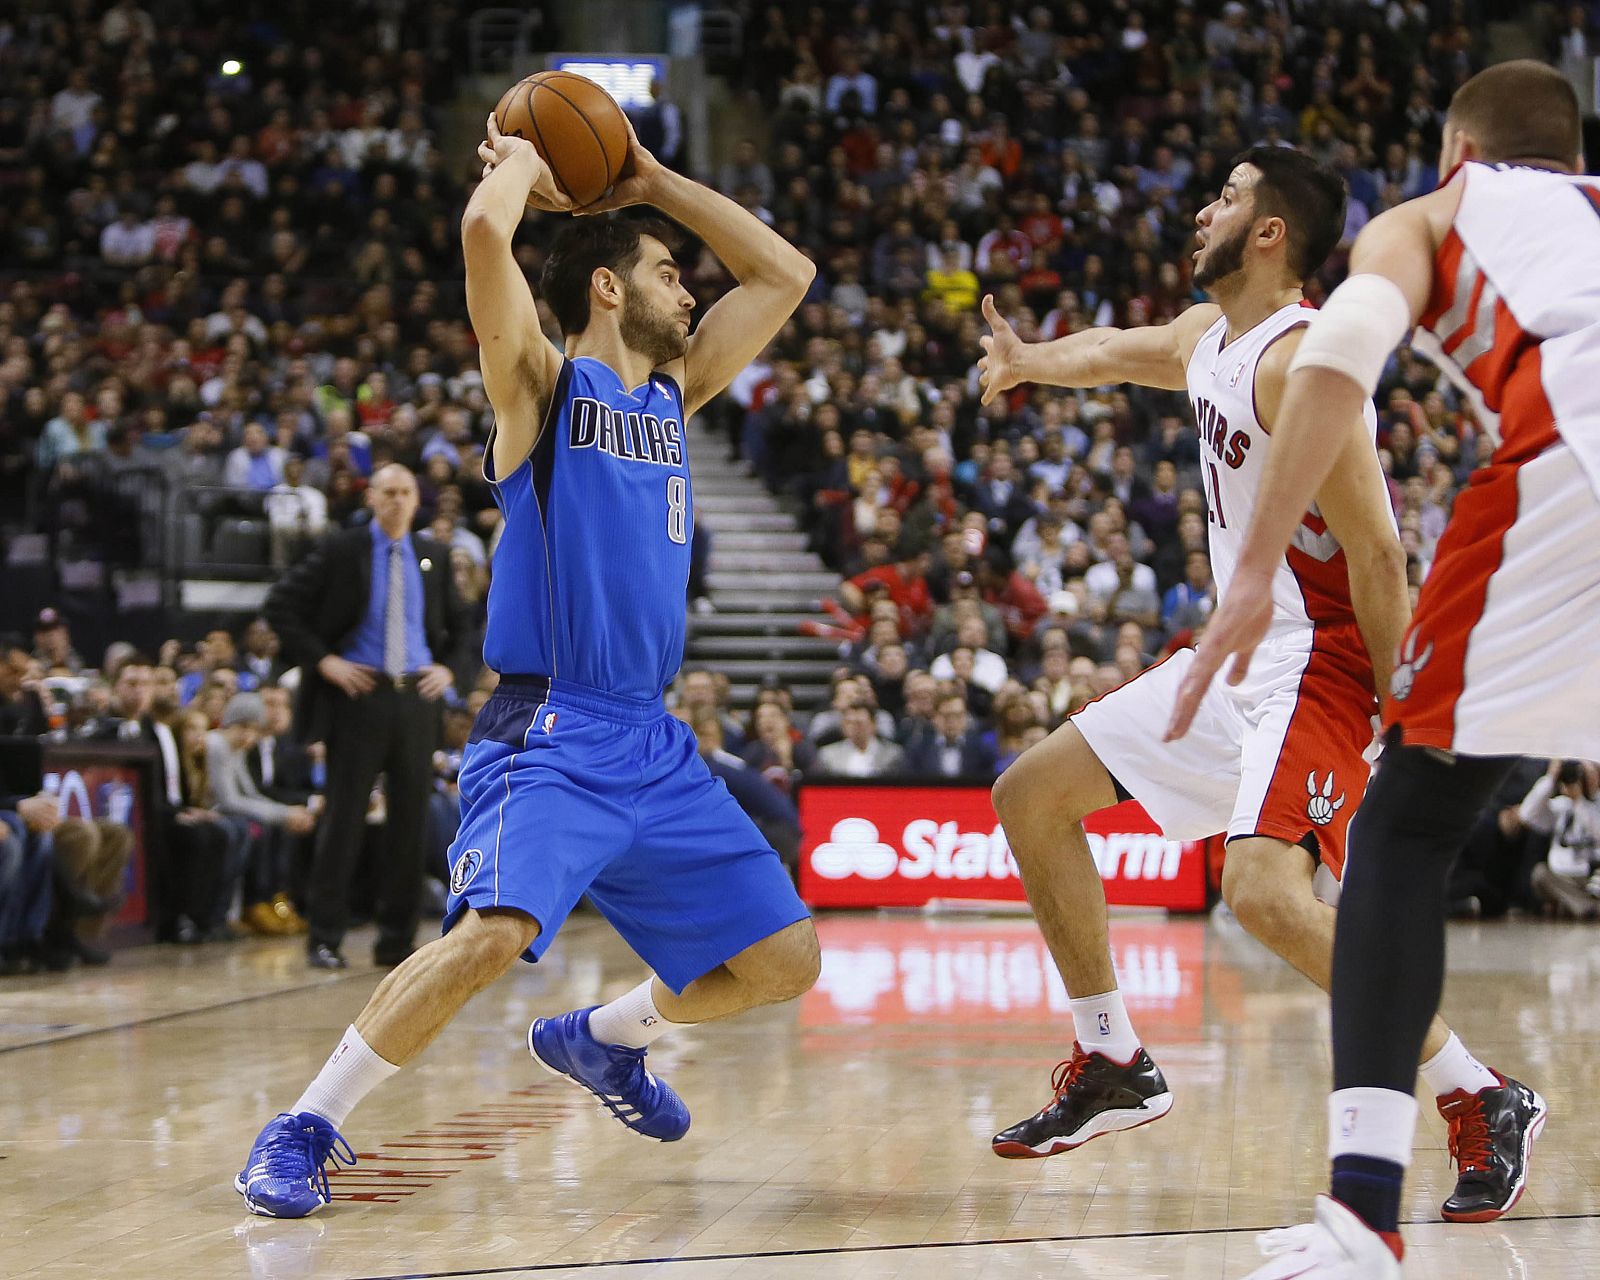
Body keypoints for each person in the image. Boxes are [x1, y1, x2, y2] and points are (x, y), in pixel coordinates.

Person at [236, 109, 819, 1218]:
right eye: (664, 271)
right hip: (548, 727)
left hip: (649, 735)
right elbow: (481, 244)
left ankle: (603, 1038)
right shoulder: (543, 393)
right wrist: (518, 166)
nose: (689, 290)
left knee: (784, 958)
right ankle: (305, 1121)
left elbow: (783, 272)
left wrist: (646, 174)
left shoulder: (673, 394)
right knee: (493, 932)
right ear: (607, 288)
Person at [975, 144, 1531, 1218]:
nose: (1202, 208)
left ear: (1269, 230)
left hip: (1319, 663)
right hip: (1232, 660)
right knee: (1029, 797)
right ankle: (1112, 1061)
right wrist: (1030, 359)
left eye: (1225, 196)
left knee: (1264, 895)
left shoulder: (1301, 357)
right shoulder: (1208, 337)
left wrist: (1407, 709)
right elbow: (1117, 351)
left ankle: (1479, 1091)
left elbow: (1375, 552)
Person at [1167, 62, 1591, 1279]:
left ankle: (1363, 1214)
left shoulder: (1433, 214)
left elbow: (1341, 351)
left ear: (1460, 145)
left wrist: (1251, 566)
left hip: (1570, 462)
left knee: (1404, 829)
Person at [265, 464, 467, 970]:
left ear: (416, 501)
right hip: (359, 696)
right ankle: (325, 935)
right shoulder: (343, 550)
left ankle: (396, 941)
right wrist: (326, 661)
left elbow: (469, 623)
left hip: (416, 697)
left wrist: (449, 669)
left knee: (409, 823)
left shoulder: (435, 557)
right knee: (344, 819)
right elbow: (281, 605)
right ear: (371, 498)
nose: (397, 501)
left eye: (405, 492)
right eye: (388, 492)